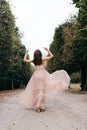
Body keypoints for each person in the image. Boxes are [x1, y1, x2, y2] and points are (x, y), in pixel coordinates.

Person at [20, 47, 70, 113]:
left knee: (37, 91)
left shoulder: (34, 60)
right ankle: (39, 106)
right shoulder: (42, 59)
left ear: (34, 55)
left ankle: (40, 106)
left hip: (35, 76)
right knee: (42, 91)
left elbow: (24, 60)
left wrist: (26, 52)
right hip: (42, 75)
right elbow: (52, 56)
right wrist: (48, 50)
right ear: (40, 54)